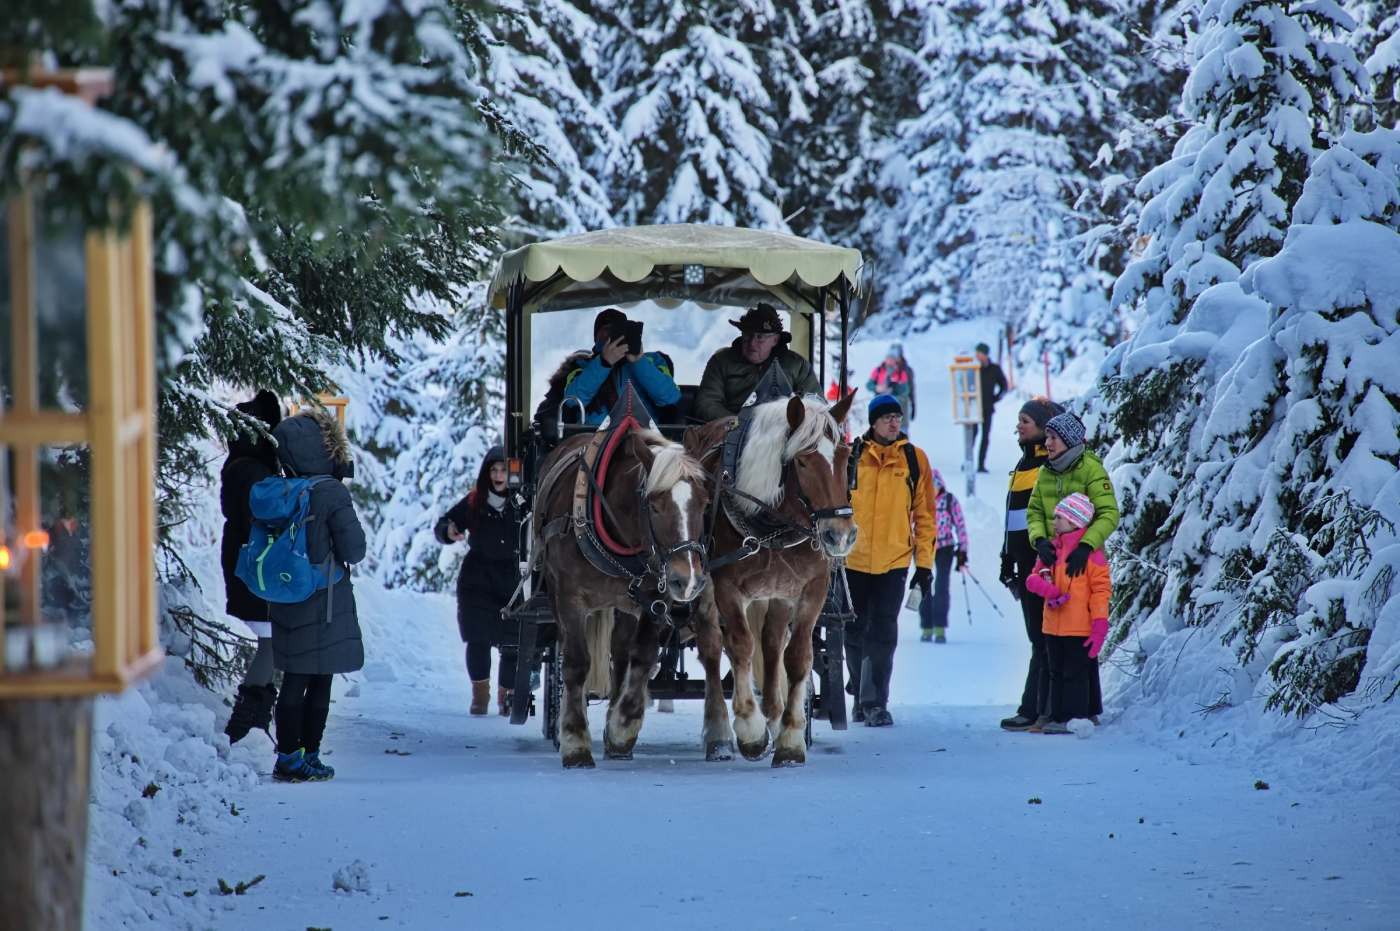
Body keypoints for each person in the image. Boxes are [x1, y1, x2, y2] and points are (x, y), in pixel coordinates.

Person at [268, 409, 367, 782]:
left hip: (285, 593)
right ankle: (307, 755)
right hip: (324, 597)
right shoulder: (331, 492)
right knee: (319, 680)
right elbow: (354, 549)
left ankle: (288, 755)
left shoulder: (280, 488)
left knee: (293, 678)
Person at [844, 394, 936, 727]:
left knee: (883, 632)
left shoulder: (914, 459)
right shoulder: (851, 456)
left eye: (897, 416)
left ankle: (874, 702)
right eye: (886, 417)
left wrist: (924, 566)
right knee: (853, 632)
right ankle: (860, 689)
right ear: (873, 422)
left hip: (894, 561)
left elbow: (925, 515)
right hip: (851, 559)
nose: (893, 422)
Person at [435, 446, 522, 716]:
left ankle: (506, 697)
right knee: (477, 638)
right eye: (493, 470)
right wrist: (449, 531)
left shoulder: (524, 501)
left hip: (513, 579)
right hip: (478, 579)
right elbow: (446, 523)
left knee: (512, 642)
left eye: (503, 470)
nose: (498, 475)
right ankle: (480, 696)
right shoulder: (475, 500)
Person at [997, 397, 1064, 732]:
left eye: (1026, 420)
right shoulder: (1023, 464)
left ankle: (1041, 708)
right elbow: (1014, 520)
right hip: (1024, 566)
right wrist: (1006, 559)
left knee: (1044, 637)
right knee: (1038, 637)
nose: (1019, 425)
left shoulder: (1048, 465)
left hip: (1043, 564)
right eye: (1019, 420)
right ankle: (1038, 706)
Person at [221, 390, 283, 745]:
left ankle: (253, 721)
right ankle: (246, 724)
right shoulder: (252, 471)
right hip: (255, 567)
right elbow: (261, 518)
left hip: (246, 563)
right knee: (271, 641)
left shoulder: (242, 464)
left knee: (271, 642)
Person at [1023, 493, 1110, 733]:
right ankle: (1058, 717)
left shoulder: (1092, 555)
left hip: (1079, 627)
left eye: (1059, 517)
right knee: (1055, 672)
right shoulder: (1052, 549)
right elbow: (1033, 576)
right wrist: (1046, 589)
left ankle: (1078, 717)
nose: (1054, 521)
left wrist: (1099, 623)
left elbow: (1101, 591)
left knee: (1076, 674)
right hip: (1052, 626)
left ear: (1075, 522)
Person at [534, 308, 678, 429]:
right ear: (596, 337)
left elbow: (670, 397)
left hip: (644, 437)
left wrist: (639, 361)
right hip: (595, 440)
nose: (609, 334)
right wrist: (604, 363)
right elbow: (573, 399)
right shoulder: (580, 366)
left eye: (615, 329)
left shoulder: (654, 360)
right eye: (605, 330)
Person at [693, 303, 820, 422]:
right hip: (730, 434)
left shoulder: (797, 366)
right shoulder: (721, 362)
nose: (752, 343)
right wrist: (737, 423)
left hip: (783, 435)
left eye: (760, 337)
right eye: (748, 335)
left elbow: (816, 405)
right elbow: (707, 403)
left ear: (775, 340)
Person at [920, 469, 968, 644]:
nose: (932, 489)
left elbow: (960, 525)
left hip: (945, 548)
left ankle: (939, 628)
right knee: (923, 586)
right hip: (924, 548)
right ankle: (926, 627)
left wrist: (962, 551)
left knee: (941, 587)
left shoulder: (949, 500)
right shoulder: (920, 501)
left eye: (934, 485)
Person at [974, 342, 1008, 473]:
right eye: (976, 353)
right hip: (973, 408)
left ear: (985, 355)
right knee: (972, 435)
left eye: (979, 353)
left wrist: (996, 398)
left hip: (987, 408)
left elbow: (1004, 385)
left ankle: (981, 464)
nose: (977, 356)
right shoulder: (973, 368)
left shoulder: (994, 369)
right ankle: (969, 461)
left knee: (985, 436)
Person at [866, 343, 916, 421]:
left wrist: (913, 405)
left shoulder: (904, 371)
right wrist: (876, 388)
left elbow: (908, 390)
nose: (889, 361)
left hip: (898, 409)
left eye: (892, 358)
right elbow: (869, 385)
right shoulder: (879, 370)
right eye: (888, 358)